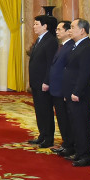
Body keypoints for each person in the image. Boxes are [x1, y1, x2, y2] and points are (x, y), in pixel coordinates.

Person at [62, 18, 90, 167]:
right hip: (72, 92)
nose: (69, 30)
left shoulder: (87, 47)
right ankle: (79, 151)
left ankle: (86, 155)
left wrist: (77, 91)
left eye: (72, 27)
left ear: (82, 30)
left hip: (81, 94)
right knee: (75, 124)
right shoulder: (77, 46)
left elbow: (85, 73)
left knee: (83, 124)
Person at [27, 15, 58, 148]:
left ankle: (48, 138)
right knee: (39, 110)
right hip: (36, 81)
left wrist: (47, 81)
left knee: (46, 110)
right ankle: (42, 135)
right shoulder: (40, 39)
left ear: (45, 26)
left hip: (43, 83)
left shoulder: (50, 41)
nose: (34, 27)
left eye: (36, 24)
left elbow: (50, 64)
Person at [44, 20, 74, 158]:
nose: (57, 31)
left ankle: (69, 145)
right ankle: (65, 143)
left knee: (66, 119)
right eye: (56, 29)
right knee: (61, 119)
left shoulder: (70, 47)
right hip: (56, 89)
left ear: (68, 31)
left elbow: (67, 70)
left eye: (59, 29)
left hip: (62, 89)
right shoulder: (62, 46)